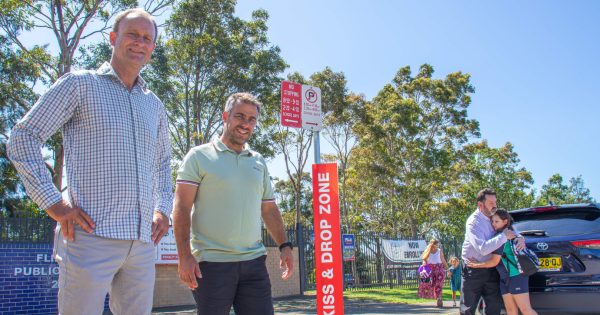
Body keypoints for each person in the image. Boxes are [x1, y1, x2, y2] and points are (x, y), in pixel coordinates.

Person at [6, 8, 172, 315]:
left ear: (152, 47)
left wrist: (163, 210)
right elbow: (23, 136)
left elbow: (162, 164)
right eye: (132, 34)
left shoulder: (154, 105)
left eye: (147, 38)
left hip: (142, 243)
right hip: (90, 238)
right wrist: (53, 203)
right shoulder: (80, 85)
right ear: (113, 38)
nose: (140, 42)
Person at [172, 92, 294, 315]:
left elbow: (269, 208)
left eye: (251, 119)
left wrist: (284, 245)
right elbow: (181, 208)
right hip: (211, 264)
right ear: (225, 116)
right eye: (240, 116)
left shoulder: (258, 161)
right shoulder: (198, 156)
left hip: (254, 263)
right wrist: (184, 256)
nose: (245, 124)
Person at [460, 188, 525, 315]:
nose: (494, 205)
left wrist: (521, 238)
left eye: (495, 202)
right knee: (468, 309)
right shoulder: (473, 223)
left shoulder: (495, 216)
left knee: (494, 308)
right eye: (491, 203)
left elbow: (510, 228)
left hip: (494, 269)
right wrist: (504, 236)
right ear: (480, 205)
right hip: (473, 270)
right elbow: (483, 249)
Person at [467, 209, 538, 315]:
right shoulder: (502, 234)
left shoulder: (503, 237)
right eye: (492, 221)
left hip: (516, 276)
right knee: (510, 311)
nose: (493, 224)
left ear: (505, 222)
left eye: (496, 221)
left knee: (526, 310)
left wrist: (476, 265)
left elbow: (494, 261)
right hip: (504, 278)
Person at [418, 238, 449, 307]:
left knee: (439, 284)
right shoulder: (427, 251)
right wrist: (424, 264)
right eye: (436, 244)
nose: (437, 246)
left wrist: (448, 270)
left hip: (439, 269)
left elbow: (443, 260)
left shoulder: (439, 251)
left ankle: (439, 298)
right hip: (430, 270)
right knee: (433, 284)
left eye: (438, 244)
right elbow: (424, 259)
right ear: (432, 244)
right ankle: (437, 297)